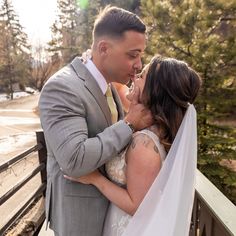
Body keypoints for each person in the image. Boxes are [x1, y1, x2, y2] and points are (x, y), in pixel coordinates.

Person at [38, 6, 153, 236]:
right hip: (81, 218)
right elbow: (74, 160)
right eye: (133, 55)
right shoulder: (62, 88)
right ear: (104, 48)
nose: (139, 64)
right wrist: (129, 124)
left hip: (114, 213)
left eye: (141, 55)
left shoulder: (109, 86)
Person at [65, 55, 202, 236]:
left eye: (142, 76)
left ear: (155, 90)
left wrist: (95, 179)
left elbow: (137, 206)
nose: (135, 78)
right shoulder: (150, 131)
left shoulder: (144, 144)